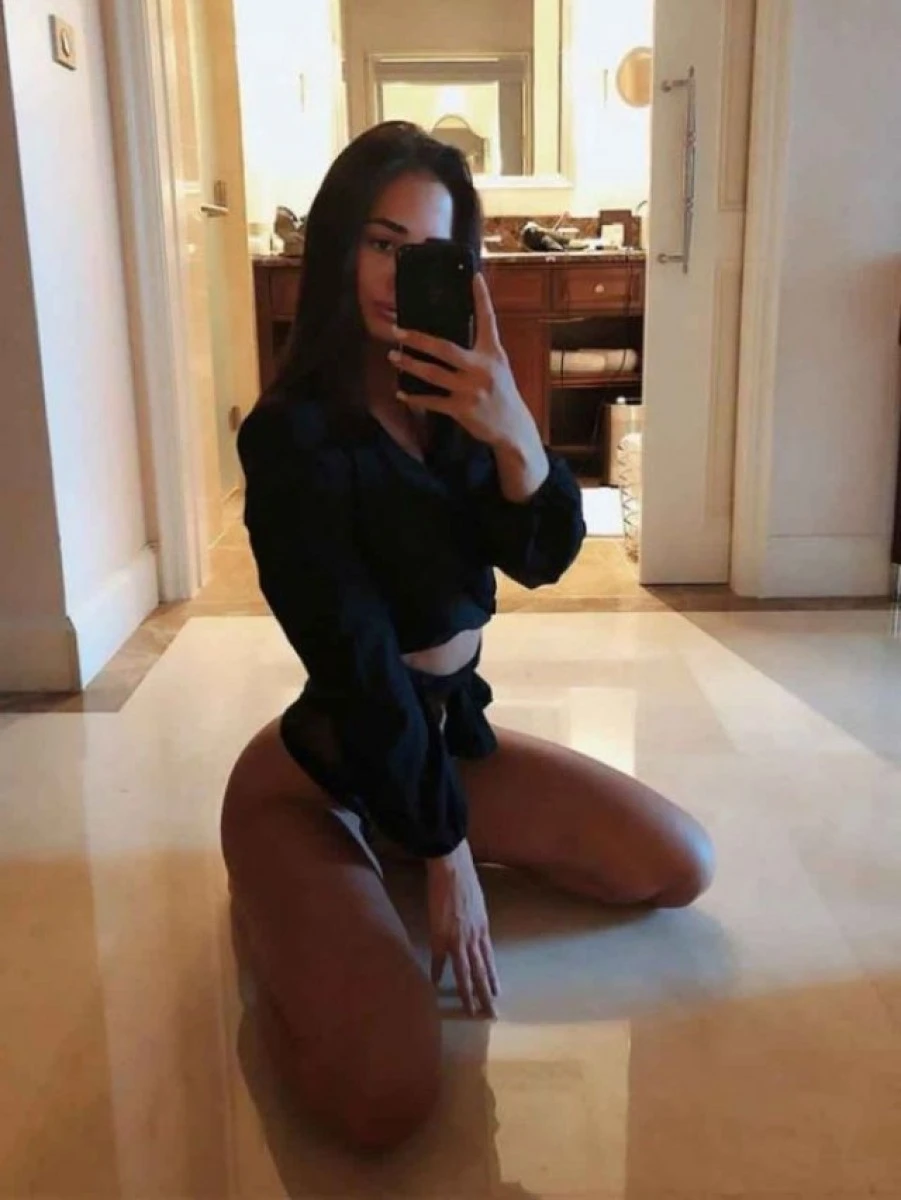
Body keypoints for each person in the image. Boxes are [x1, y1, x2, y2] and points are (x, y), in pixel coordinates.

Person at [222, 121, 714, 1153]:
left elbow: (542, 558)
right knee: (388, 1091)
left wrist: (516, 434)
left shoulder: (456, 404)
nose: (402, 276)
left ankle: (394, 842)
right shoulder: (293, 436)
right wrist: (447, 855)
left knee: (679, 864)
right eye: (381, 243)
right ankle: (299, 887)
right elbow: (357, 665)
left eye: (434, 253)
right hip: (319, 772)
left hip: (441, 741)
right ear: (339, 245)